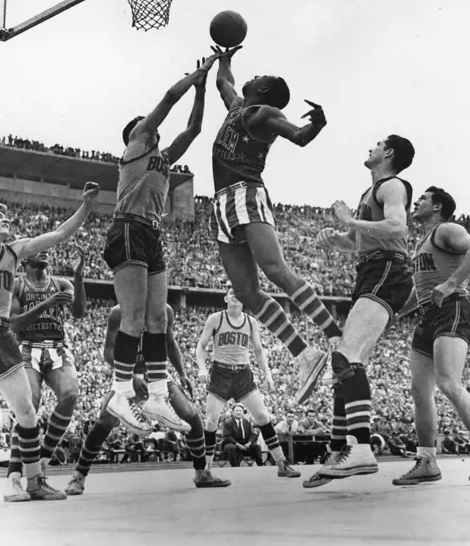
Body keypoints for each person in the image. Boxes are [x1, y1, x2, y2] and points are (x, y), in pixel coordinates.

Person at [0, 182, 99, 501]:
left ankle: (34, 482)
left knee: (26, 411)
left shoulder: (14, 250)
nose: (6, 219)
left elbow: (59, 235)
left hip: (2, 336)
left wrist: (87, 206)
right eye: (0, 215)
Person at [210, 46, 341, 403]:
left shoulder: (264, 113)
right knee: (247, 293)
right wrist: (224, 56)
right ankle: (305, 354)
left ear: (264, 90)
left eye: (259, 78)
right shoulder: (238, 107)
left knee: (275, 269)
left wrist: (317, 124)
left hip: (245, 194)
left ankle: (334, 334)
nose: (252, 77)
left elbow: (298, 136)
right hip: (222, 204)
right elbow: (224, 82)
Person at [103, 55, 219, 433]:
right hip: (128, 228)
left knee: (158, 318)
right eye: (145, 125)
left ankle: (156, 396)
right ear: (136, 134)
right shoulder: (136, 147)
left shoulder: (164, 159)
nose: (152, 128)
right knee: (134, 318)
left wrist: (201, 90)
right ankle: (120, 394)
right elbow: (169, 98)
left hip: (151, 233)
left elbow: (195, 128)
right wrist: (194, 76)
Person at [309, 135, 415, 485]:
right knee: (347, 364)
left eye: (379, 143)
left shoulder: (392, 185)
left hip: (387, 269)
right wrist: (334, 237)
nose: (372, 145)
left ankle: (362, 449)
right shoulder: (368, 194)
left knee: (345, 357)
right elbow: (358, 244)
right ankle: (340, 449)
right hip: (373, 268)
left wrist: (348, 221)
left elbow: (397, 227)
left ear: (390, 154)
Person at [65, 303, 230, 493]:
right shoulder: (118, 312)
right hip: (128, 374)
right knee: (105, 421)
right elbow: (109, 351)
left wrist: (182, 373)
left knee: (190, 415)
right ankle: (78, 476)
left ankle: (202, 472)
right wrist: (131, 376)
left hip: (156, 374)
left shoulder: (164, 310)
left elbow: (170, 344)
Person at [392, 187, 470, 486]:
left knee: (447, 382)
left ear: (438, 206)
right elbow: (422, 288)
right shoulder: (422, 243)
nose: (416, 202)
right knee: (419, 392)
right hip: (428, 314)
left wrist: (453, 282)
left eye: (423, 199)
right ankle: (427, 460)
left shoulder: (448, 229)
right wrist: (397, 313)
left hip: (453, 308)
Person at [3, 245, 86, 502]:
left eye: (47, 250)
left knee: (71, 394)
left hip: (57, 347)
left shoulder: (60, 283)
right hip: (28, 348)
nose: (46, 252)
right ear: (25, 260)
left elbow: (79, 312)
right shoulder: (16, 285)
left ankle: (42, 461)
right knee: (29, 405)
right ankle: (16, 479)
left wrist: (79, 277)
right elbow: (15, 324)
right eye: (39, 249)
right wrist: (47, 304)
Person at [196, 282, 301, 478]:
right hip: (221, 373)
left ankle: (281, 463)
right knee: (210, 422)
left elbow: (259, 350)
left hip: (243, 374)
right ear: (225, 298)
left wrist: (267, 374)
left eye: (238, 293)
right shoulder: (216, 319)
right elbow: (200, 347)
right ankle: (205, 470)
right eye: (230, 293)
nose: (234, 295)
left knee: (262, 416)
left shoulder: (250, 322)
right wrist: (202, 368)